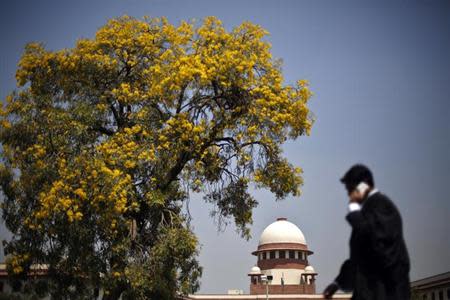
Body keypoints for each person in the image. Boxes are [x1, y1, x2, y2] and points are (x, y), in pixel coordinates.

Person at [323, 164, 410, 300]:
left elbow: (376, 241)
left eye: (350, 188)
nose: (348, 193)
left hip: (386, 291)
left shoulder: (381, 205)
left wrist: (354, 210)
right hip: (370, 290)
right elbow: (359, 256)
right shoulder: (369, 210)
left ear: (363, 186)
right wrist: (337, 283)